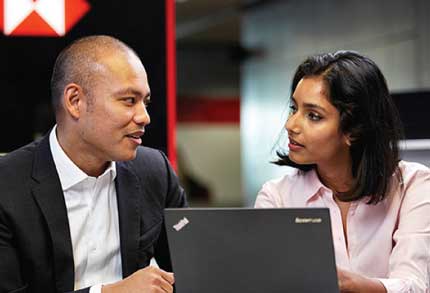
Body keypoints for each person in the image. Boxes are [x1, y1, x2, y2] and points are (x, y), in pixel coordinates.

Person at [0, 35, 187, 293]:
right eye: (129, 100)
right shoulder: (7, 186)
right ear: (75, 101)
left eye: (146, 102)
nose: (144, 117)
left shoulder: (154, 172)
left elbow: (190, 274)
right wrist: (110, 292)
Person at [255, 51, 430, 292]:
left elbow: (415, 285)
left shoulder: (413, 184)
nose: (291, 125)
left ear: (354, 130)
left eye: (313, 116)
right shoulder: (276, 197)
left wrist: (351, 285)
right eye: (293, 109)